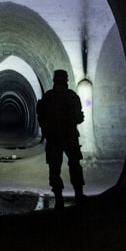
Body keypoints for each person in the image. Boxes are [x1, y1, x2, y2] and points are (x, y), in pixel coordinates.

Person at [36, 69, 86, 210]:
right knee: (75, 165)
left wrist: (47, 131)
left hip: (53, 139)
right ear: (66, 80)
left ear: (54, 80)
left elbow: (41, 117)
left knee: (54, 168)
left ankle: (58, 198)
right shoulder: (72, 97)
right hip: (70, 137)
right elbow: (79, 118)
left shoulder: (48, 97)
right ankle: (79, 195)